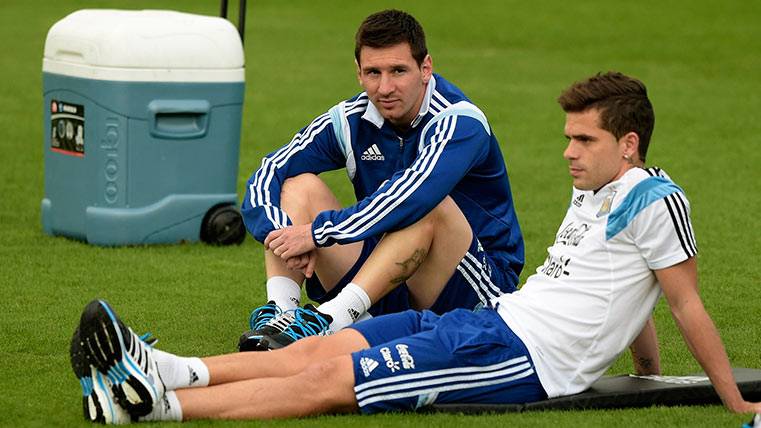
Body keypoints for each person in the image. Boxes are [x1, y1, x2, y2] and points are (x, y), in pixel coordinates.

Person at [69, 71, 761, 423]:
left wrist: (731, 402)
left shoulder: (655, 200)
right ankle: (167, 367)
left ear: (628, 144)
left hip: (519, 358)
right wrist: (643, 375)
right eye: (568, 136)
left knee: (330, 385)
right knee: (317, 348)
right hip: (491, 322)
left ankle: (155, 406)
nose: (567, 152)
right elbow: (620, 285)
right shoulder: (598, 190)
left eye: (583, 140)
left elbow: (683, 302)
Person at [237, 9, 524, 350]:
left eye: (398, 71)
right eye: (373, 72)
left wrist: (315, 233)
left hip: (471, 287)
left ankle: (329, 320)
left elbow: (413, 196)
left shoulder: (460, 121)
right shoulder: (351, 119)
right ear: (358, 73)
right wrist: (282, 234)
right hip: (387, 275)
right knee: (297, 185)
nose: (385, 88)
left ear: (425, 68)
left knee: (429, 206)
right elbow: (271, 169)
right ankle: (280, 317)